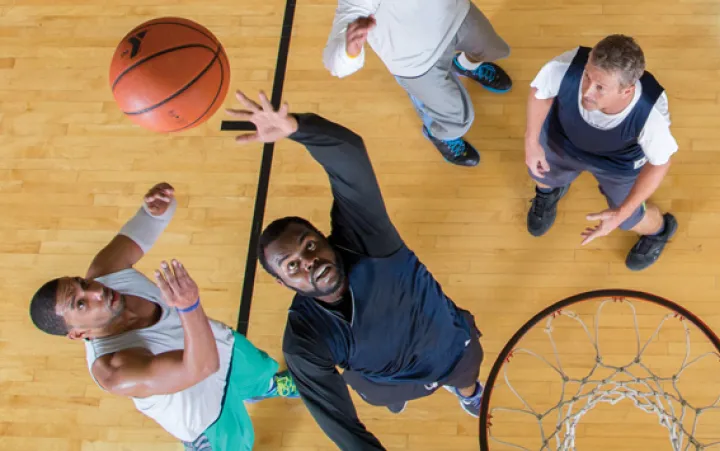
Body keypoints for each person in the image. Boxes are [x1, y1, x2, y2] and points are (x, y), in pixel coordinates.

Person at [225, 90, 486, 450]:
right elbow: (341, 425)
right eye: (293, 266)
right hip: (386, 383)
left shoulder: (366, 239)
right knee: (383, 398)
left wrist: (298, 128)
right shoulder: (304, 341)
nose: (310, 261)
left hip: (452, 348)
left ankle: (469, 394)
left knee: (467, 378)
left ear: (324, 237)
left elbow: (350, 158)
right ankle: (406, 396)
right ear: (282, 282)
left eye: (310, 244)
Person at [28, 183, 299, 451]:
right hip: (204, 413)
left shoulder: (105, 270)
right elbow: (200, 368)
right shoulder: (115, 370)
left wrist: (158, 206)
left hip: (221, 346)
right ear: (77, 333)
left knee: (261, 370)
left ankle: (266, 387)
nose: (97, 291)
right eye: (81, 304)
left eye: (82, 284)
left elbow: (151, 220)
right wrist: (189, 307)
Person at [524, 34, 679, 271]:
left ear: (626, 91)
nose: (586, 90)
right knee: (541, 173)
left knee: (629, 218)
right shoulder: (565, 67)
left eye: (600, 87)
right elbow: (540, 92)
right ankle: (549, 193)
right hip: (564, 138)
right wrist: (531, 142)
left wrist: (620, 214)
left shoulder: (651, 114)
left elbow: (660, 164)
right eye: (587, 76)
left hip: (618, 162)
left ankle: (660, 230)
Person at [323, 0, 512, 167]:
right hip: (416, 62)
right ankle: (439, 134)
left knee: (491, 48)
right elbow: (335, 64)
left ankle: (463, 66)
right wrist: (349, 51)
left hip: (455, 16)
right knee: (457, 121)